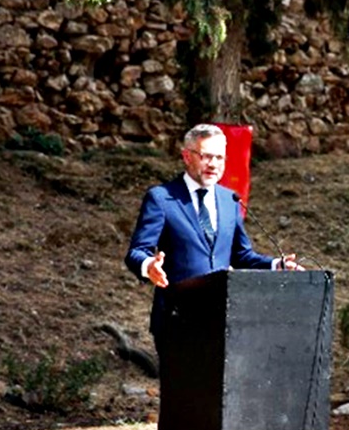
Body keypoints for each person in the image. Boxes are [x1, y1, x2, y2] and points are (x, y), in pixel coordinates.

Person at [125, 123, 303, 337]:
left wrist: (276, 265)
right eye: (206, 156)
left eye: (220, 158)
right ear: (187, 157)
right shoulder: (162, 198)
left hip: (221, 321)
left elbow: (241, 255)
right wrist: (149, 265)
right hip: (176, 321)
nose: (213, 164)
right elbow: (136, 252)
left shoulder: (230, 199)